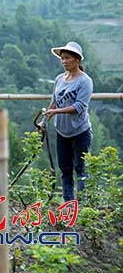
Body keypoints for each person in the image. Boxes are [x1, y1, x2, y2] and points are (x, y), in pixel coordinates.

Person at [43, 41, 93, 202]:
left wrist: (56, 111)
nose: (64, 61)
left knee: (80, 167)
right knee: (65, 169)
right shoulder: (59, 79)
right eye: (62, 58)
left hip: (80, 131)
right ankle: (68, 203)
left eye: (67, 58)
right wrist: (45, 119)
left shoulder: (85, 81)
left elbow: (79, 106)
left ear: (77, 59)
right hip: (62, 132)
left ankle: (84, 203)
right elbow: (54, 101)